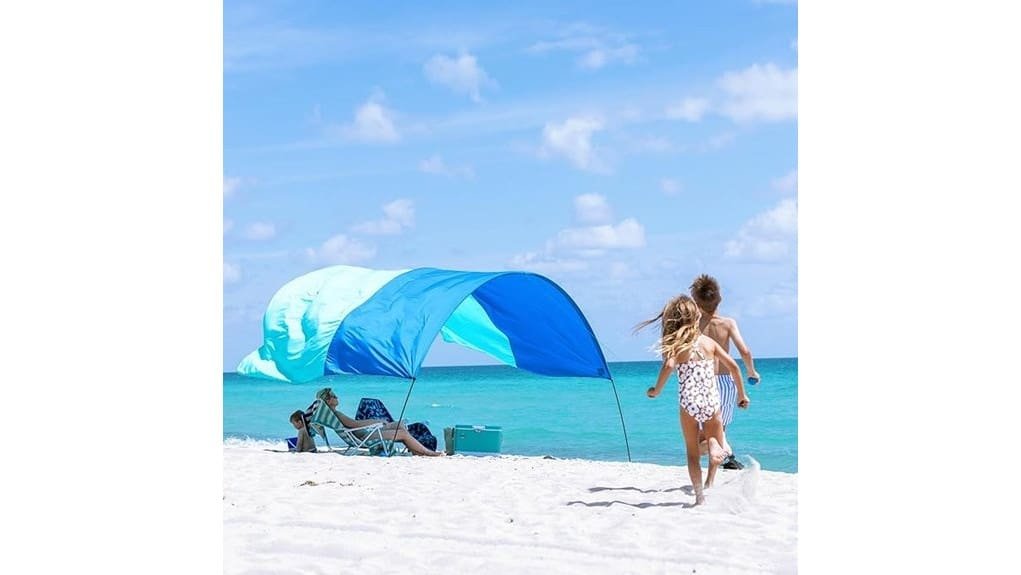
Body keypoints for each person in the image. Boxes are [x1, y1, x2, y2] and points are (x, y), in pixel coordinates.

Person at [636, 294, 749, 505]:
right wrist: (742, 394)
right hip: (711, 401)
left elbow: (669, 366)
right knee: (715, 436)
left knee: (692, 452)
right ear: (697, 318)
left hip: (688, 404)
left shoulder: (677, 347)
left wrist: (656, 390)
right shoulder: (709, 343)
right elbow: (733, 367)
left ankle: (699, 497)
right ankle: (714, 450)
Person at [690, 274, 761, 470]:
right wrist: (751, 372)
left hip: (700, 381)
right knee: (718, 428)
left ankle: (725, 454)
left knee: (702, 438)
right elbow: (745, 351)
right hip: (725, 382)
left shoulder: (692, 325)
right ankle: (727, 456)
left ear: (695, 301)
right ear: (719, 299)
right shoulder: (728, 323)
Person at [315, 388, 444, 457]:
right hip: (365, 437)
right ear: (328, 400)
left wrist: (378, 422)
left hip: (366, 434)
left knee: (399, 426)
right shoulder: (338, 414)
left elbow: (354, 425)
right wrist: (374, 421)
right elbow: (355, 425)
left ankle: (417, 450)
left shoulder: (336, 414)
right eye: (333, 396)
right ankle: (427, 452)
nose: (336, 397)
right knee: (402, 434)